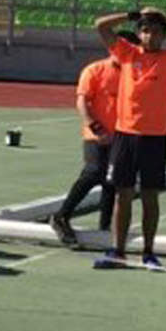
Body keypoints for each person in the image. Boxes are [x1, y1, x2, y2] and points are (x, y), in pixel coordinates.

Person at [93, 7, 166, 269]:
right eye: (144, 31)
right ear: (138, 34)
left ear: (164, 35)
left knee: (149, 197)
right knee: (122, 195)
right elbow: (101, 25)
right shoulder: (126, 53)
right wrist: (131, 15)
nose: (149, 36)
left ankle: (148, 252)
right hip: (126, 134)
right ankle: (118, 251)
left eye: (156, 31)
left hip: (155, 137)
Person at [49, 31, 140, 246]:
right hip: (96, 134)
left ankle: (105, 227)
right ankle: (61, 216)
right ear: (112, 48)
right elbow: (83, 102)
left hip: (122, 135)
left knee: (113, 180)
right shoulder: (95, 70)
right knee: (93, 172)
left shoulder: (134, 75)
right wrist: (97, 129)